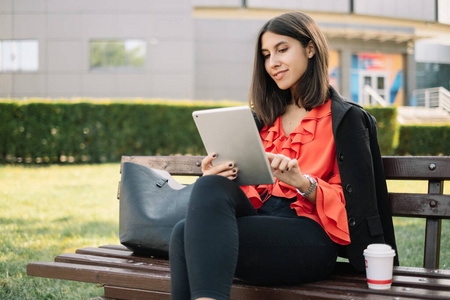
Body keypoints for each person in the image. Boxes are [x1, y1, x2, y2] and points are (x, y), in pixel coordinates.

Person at [169, 11, 398, 300]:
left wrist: (303, 183)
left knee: (184, 236)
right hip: (261, 222)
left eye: (282, 49)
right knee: (196, 207)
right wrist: (220, 175)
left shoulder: (346, 120)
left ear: (310, 48)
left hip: (310, 237)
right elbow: (248, 194)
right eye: (266, 55)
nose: (272, 63)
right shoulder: (263, 120)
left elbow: (356, 207)